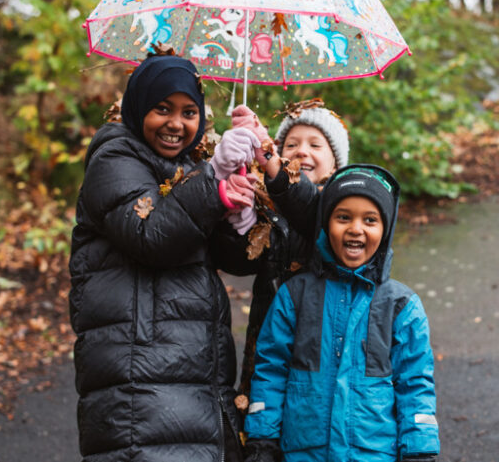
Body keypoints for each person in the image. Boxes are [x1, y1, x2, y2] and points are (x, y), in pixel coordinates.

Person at [68, 52, 261, 462]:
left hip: (194, 367)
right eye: (162, 109)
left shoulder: (187, 166)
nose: (177, 123)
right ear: (138, 107)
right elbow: (151, 234)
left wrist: (241, 215)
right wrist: (213, 180)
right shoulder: (114, 159)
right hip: (139, 371)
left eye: (189, 112)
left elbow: (234, 261)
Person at [242, 164, 440, 462]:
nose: (355, 229)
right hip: (303, 452)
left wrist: (419, 449)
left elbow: (415, 382)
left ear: (385, 230)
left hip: (372, 454)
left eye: (370, 220)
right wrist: (262, 438)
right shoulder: (295, 295)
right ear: (326, 223)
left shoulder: (401, 306)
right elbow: (271, 369)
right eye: (343, 217)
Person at [226, 101, 351, 400]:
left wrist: (269, 154)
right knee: (261, 420)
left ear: (335, 163)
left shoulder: (338, 206)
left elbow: (308, 207)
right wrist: (234, 212)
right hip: (268, 343)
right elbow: (238, 262)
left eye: (315, 144)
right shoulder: (272, 204)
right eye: (291, 144)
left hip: (319, 348)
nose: (302, 151)